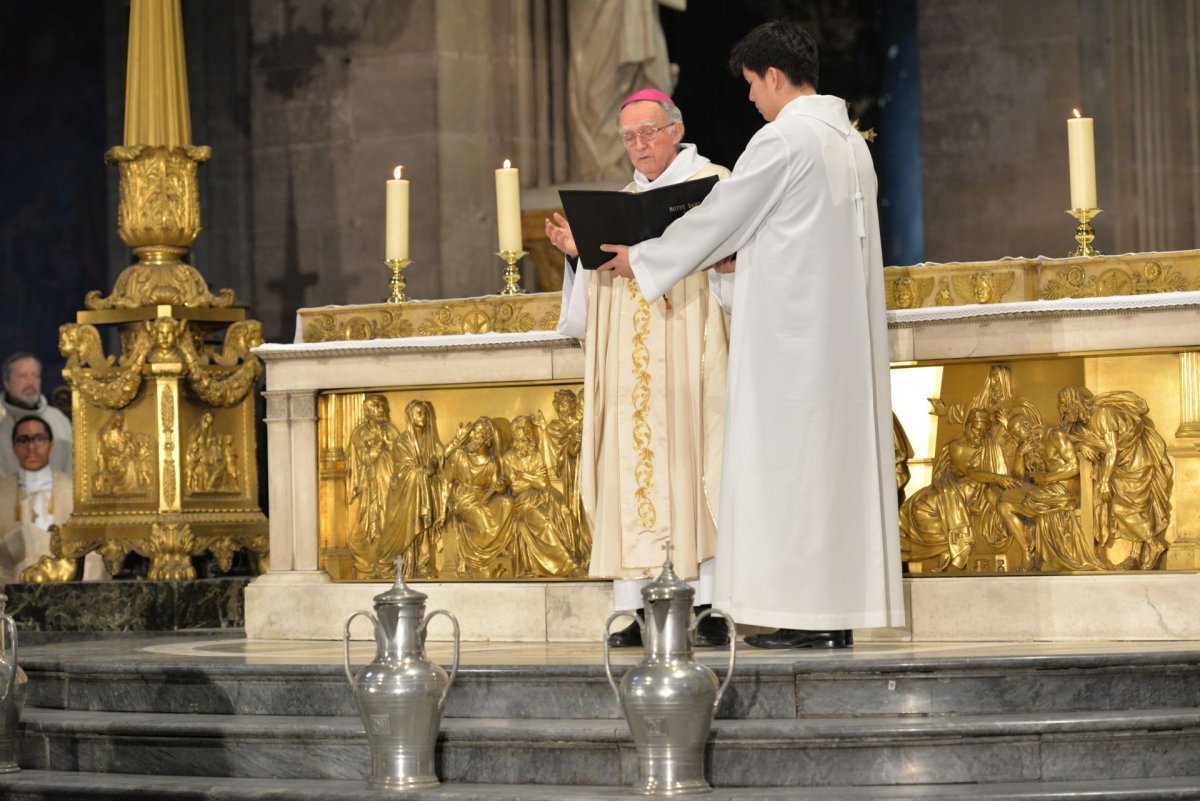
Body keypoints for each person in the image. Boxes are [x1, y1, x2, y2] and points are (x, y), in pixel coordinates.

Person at [597, 21, 905, 647]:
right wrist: (745, 259)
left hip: (791, 345)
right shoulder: (850, 144)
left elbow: (722, 215)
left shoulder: (783, 140)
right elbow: (799, 236)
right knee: (830, 480)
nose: (749, 101)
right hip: (838, 342)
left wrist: (645, 259)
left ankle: (804, 620)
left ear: (773, 76)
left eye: (751, 86)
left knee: (791, 476)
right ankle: (831, 618)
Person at [546, 88, 732, 647]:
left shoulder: (716, 186)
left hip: (693, 354)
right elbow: (591, 298)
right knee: (632, 467)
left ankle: (709, 603)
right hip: (632, 366)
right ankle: (634, 607)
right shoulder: (620, 201)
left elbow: (734, 265)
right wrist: (578, 252)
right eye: (628, 137)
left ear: (675, 129)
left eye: (648, 132)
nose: (639, 145)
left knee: (699, 466)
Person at [0, 416, 107, 585]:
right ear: (13, 448)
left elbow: (89, 549)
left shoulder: (73, 492)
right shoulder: (2, 492)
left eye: (39, 438)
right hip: (11, 587)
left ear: (52, 445)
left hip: (63, 587)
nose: (31, 447)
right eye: (23, 440)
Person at [0, 353, 73, 478]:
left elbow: (72, 469)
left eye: (35, 376)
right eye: (22, 376)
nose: (30, 383)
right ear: (7, 383)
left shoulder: (58, 419)